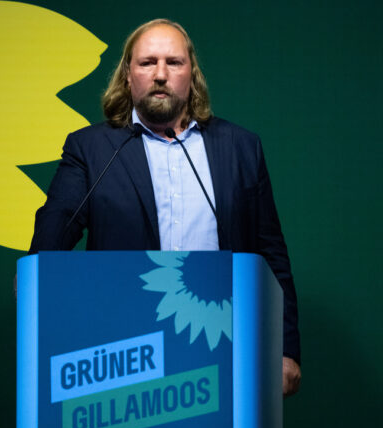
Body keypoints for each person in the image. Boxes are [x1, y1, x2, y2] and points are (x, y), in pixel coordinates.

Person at [29, 19, 301, 397]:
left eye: (173, 62)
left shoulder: (241, 148)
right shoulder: (91, 150)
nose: (160, 74)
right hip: (121, 356)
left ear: (192, 74)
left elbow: (271, 254)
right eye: (147, 63)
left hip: (220, 351)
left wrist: (286, 351)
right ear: (127, 75)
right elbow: (49, 244)